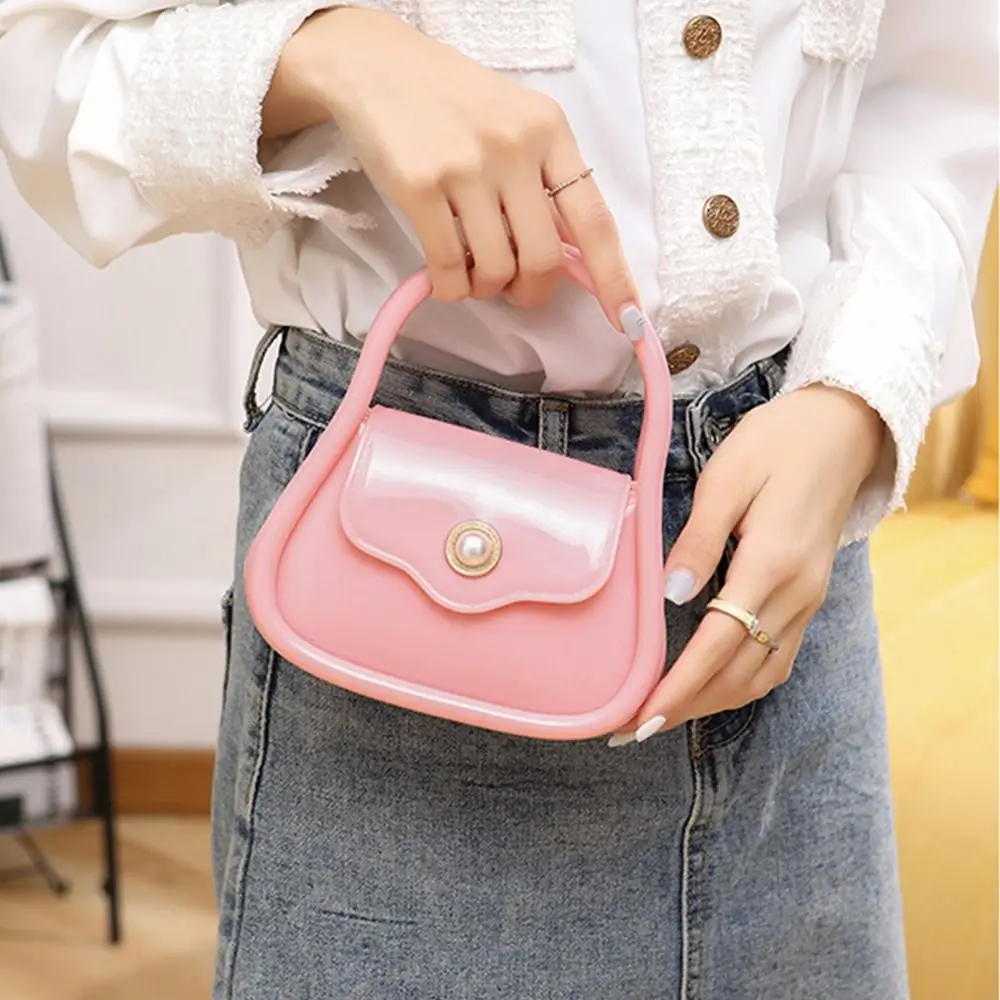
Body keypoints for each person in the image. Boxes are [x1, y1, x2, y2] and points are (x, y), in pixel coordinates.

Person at [1, 0, 995, 995]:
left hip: (782, 569)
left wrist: (854, 397)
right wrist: (331, 56)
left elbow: (933, 99)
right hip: (392, 608)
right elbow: (40, 73)